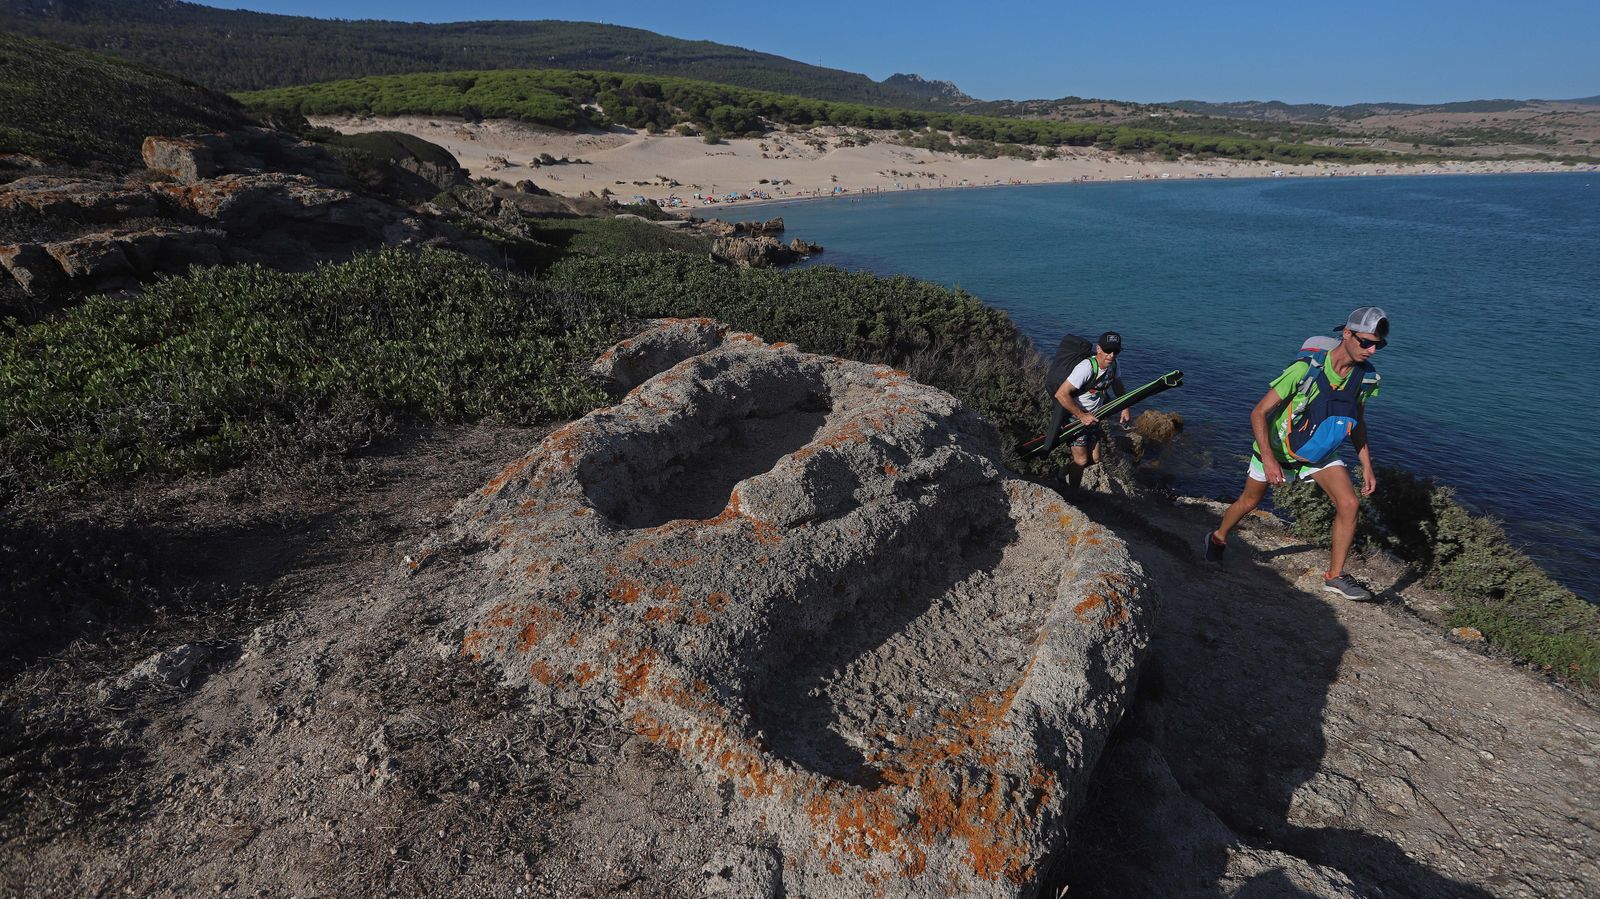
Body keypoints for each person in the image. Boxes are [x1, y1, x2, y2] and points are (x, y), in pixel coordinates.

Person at [1204, 307, 1389, 601]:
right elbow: (1259, 412)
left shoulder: (1366, 379)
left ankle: (1335, 576)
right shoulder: (1305, 370)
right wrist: (1267, 457)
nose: (1372, 350)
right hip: (1278, 449)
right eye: (1366, 342)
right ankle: (1218, 536)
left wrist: (1366, 465)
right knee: (1249, 501)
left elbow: (1358, 422)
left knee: (1349, 503)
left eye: (1378, 344)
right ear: (1346, 334)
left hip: (1319, 452)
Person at [1046, 331, 1132, 490]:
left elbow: (1117, 383)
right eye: (1107, 350)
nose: (1111, 355)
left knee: (1095, 459)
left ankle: (1061, 473)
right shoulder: (1085, 368)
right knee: (1081, 461)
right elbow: (1061, 394)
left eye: (1116, 351)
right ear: (1098, 349)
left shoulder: (1113, 365)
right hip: (1074, 417)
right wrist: (1081, 415)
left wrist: (1125, 407)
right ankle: (1073, 493)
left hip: (1093, 417)